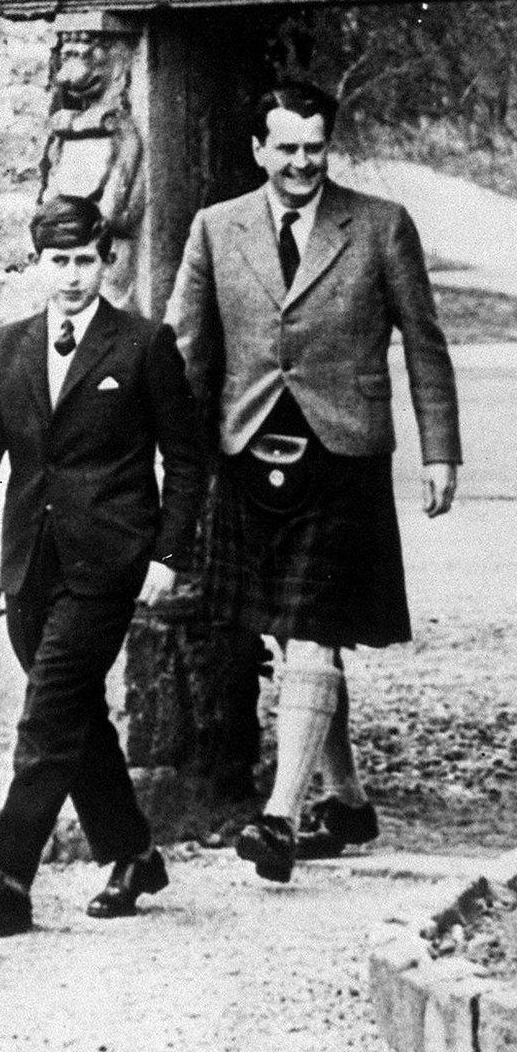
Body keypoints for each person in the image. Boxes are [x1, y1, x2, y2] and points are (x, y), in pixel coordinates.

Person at [164, 79, 461, 883]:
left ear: (329, 146)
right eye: (286, 148)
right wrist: (168, 457)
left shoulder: (378, 225)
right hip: (247, 450)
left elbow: (424, 342)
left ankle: (280, 819)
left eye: (314, 147)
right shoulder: (215, 228)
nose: (301, 163)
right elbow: (182, 349)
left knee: (313, 625)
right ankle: (348, 798)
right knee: (294, 632)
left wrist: (441, 451)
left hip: (344, 454)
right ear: (258, 150)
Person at [0, 194, 205, 935]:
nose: (74, 275)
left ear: (106, 260)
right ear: (37, 263)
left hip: (107, 562)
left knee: (48, 714)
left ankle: (7, 880)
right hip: (28, 562)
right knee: (76, 715)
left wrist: (167, 554)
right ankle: (134, 852)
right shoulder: (8, 343)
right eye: (60, 261)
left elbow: (185, 457)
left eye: (87, 260)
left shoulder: (143, 345)